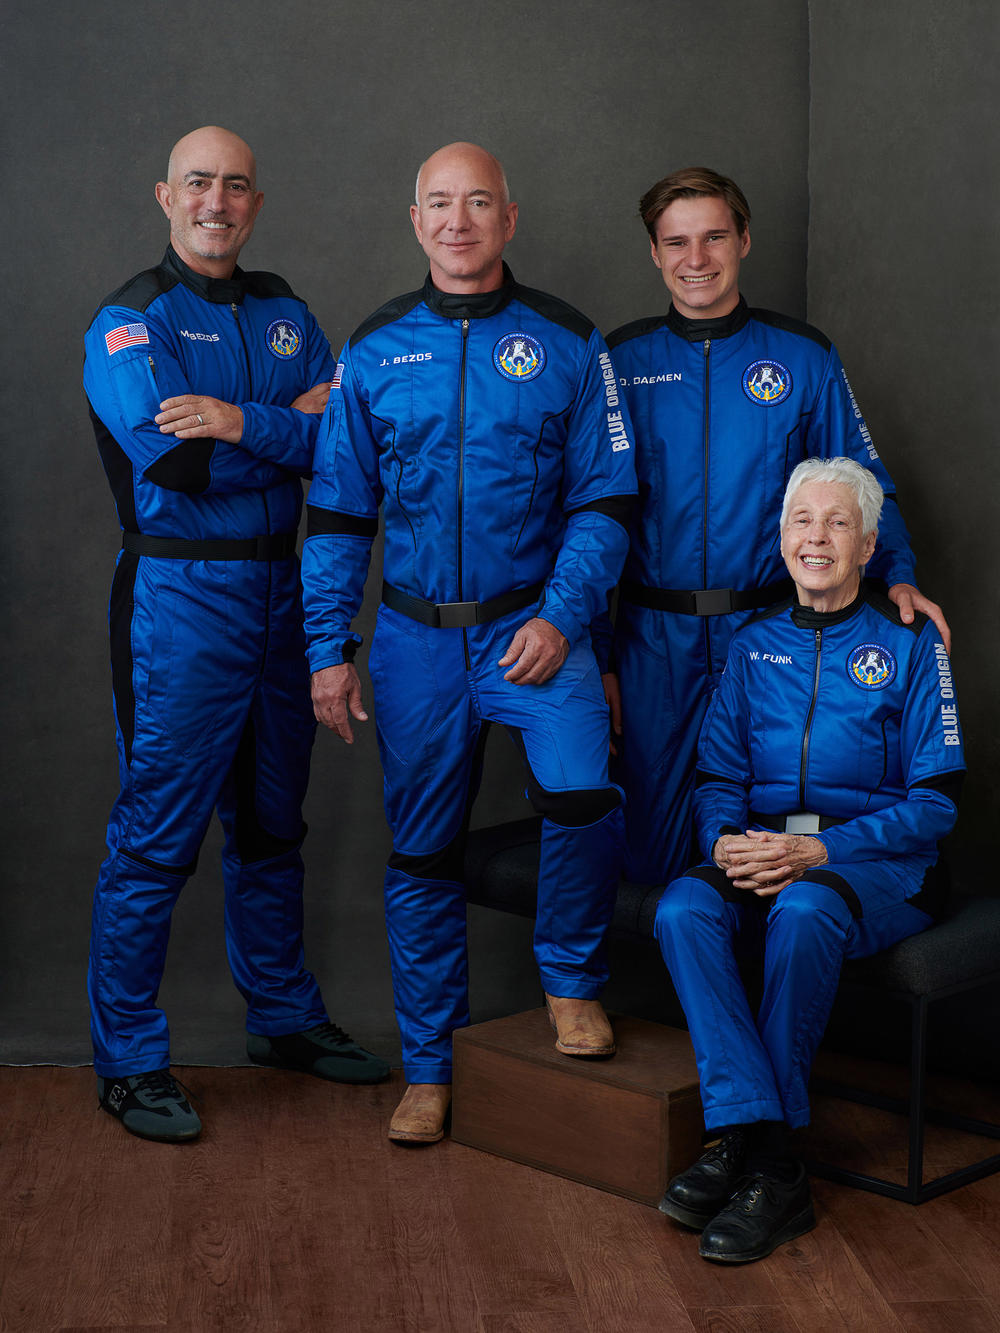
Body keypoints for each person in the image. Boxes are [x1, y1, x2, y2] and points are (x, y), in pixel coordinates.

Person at [302, 142, 637, 1144]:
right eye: (439, 204)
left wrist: (560, 616)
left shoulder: (569, 343)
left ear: (509, 217)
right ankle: (430, 1065)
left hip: (534, 628)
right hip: (413, 643)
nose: (458, 221)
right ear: (415, 221)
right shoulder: (372, 350)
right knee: (422, 853)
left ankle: (571, 980)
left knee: (583, 795)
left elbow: (607, 501)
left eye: (477, 202)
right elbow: (334, 514)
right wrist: (330, 647)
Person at [84, 125, 388, 1143]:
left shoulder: (289, 312)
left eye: (237, 186)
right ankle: (127, 1060)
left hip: (284, 598)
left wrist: (237, 418)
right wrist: (281, 428)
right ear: (165, 194)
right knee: (156, 836)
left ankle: (284, 1018)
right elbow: (179, 469)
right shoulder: (132, 320)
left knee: (271, 827)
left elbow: (345, 450)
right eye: (200, 183)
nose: (218, 201)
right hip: (181, 603)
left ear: (257, 202)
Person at [602, 167, 950, 886]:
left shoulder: (800, 356)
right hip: (649, 642)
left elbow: (864, 485)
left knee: (766, 823)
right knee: (655, 835)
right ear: (654, 252)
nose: (696, 258)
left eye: (714, 237)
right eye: (676, 242)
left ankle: (775, 991)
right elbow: (591, 513)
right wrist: (599, 653)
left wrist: (902, 575)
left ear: (745, 240)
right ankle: (678, 996)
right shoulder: (622, 361)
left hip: (768, 627)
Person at [654, 457, 964, 1263]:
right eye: (802, 521)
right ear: (782, 538)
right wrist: (725, 841)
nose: (816, 538)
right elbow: (719, 776)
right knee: (683, 907)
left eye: (836, 524)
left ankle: (768, 1160)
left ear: (867, 545)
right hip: (768, 850)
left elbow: (936, 804)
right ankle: (750, 1135)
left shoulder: (909, 647)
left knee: (803, 906)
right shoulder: (752, 648)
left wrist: (821, 847)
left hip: (881, 865)